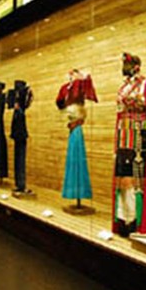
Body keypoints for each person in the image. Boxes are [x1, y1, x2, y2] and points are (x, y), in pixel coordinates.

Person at [112, 53, 146, 236]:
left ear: (136, 66)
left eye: (127, 64)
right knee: (123, 179)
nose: (124, 67)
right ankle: (123, 219)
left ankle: (136, 220)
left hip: (139, 136)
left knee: (136, 180)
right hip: (123, 135)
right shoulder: (123, 87)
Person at [56, 70, 98, 206]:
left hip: (77, 125)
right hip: (72, 125)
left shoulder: (79, 86)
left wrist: (82, 77)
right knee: (73, 157)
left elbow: (87, 86)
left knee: (77, 157)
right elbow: (59, 102)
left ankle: (80, 191)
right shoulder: (66, 88)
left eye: (72, 75)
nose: (71, 77)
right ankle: (74, 192)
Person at [8, 80, 33, 195]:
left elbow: (28, 98)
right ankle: (19, 184)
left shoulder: (20, 111)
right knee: (18, 160)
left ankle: (21, 185)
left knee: (20, 160)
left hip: (20, 134)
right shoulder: (17, 111)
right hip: (18, 134)